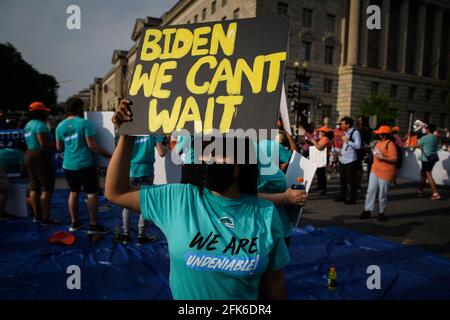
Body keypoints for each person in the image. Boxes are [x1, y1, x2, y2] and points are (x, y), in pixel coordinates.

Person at [105, 99, 291, 300]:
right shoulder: (178, 200)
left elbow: (274, 280)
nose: (210, 160)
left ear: (241, 163)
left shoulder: (264, 213)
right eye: (205, 152)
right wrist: (127, 135)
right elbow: (116, 192)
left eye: (220, 153)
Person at [55, 97, 112, 234]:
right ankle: (93, 225)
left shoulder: (60, 126)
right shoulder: (85, 124)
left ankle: (74, 223)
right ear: (79, 109)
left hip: (68, 165)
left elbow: (59, 148)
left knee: (73, 193)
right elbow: (92, 145)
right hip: (85, 164)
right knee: (91, 194)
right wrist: (109, 156)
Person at [121, 135, 166, 245]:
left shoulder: (131, 131)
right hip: (146, 171)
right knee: (144, 203)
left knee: (127, 203)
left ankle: (125, 235)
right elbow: (162, 153)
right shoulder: (154, 132)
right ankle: (141, 236)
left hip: (131, 171)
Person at [24, 102, 58, 225]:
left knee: (34, 187)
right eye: (44, 111)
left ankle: (36, 216)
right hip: (41, 156)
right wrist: (58, 147)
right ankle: (46, 218)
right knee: (47, 188)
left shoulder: (28, 125)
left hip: (29, 154)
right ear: (40, 113)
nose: (46, 114)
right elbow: (43, 143)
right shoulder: (40, 125)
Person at [360, 126, 398, 222]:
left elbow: (394, 159)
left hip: (385, 172)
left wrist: (383, 158)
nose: (378, 135)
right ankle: (367, 210)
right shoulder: (378, 143)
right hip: (375, 170)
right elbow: (375, 153)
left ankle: (381, 213)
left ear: (384, 135)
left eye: (379, 133)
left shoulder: (390, 144)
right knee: (370, 191)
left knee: (382, 194)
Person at [335, 117, 361, 205]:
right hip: (343, 160)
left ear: (348, 124)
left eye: (342, 124)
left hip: (351, 161)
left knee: (351, 181)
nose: (341, 125)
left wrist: (348, 141)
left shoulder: (355, 132)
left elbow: (358, 146)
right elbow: (345, 146)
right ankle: (343, 195)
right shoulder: (346, 132)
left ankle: (352, 199)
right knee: (343, 180)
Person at [0, 145, 25, 219]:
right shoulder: (19, 152)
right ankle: (1, 214)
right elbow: (22, 169)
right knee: (2, 191)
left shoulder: (3, 150)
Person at [417, 124, 441, 200]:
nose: (425, 130)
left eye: (426, 128)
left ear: (428, 129)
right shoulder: (435, 137)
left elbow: (418, 145)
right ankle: (420, 191)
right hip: (433, 158)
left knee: (428, 175)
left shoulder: (424, 137)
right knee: (423, 174)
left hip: (426, 159)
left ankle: (435, 193)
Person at [308, 126, 333, 195]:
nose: (319, 132)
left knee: (321, 174)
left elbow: (319, 147)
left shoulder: (325, 139)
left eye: (320, 131)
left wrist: (314, 142)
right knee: (319, 173)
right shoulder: (323, 138)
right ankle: (319, 187)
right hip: (320, 159)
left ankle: (322, 188)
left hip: (323, 159)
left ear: (324, 133)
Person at [356, 116, 372, 190]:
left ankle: (358, 184)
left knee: (358, 167)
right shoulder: (367, 129)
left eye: (360, 120)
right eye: (359, 120)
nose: (359, 122)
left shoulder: (361, 130)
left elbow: (363, 141)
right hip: (363, 149)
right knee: (359, 166)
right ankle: (358, 183)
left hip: (360, 149)